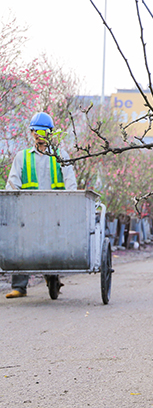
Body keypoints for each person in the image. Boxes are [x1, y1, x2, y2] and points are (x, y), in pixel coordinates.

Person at [4, 112, 77, 299]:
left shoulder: (61, 155)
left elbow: (70, 182)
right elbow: (12, 183)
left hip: (55, 211)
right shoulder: (22, 157)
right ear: (31, 132)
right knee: (22, 244)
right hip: (28, 211)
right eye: (35, 131)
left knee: (51, 244)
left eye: (42, 131)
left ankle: (52, 278)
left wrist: (70, 201)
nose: (38, 134)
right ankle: (19, 286)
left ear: (50, 133)